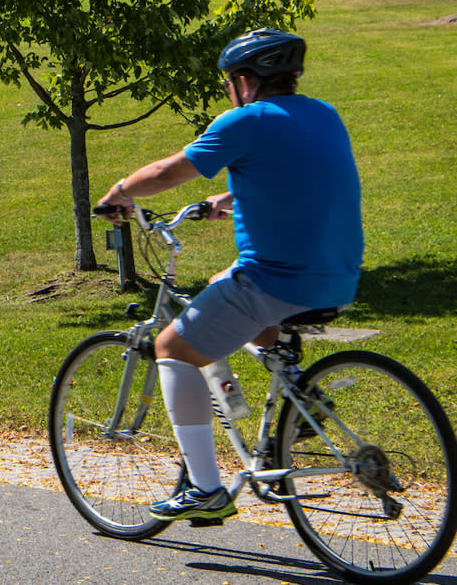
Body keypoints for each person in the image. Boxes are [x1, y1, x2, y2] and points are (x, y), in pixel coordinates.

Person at [96, 28, 363, 523]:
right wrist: (232, 197)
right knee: (230, 282)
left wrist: (119, 194)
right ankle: (301, 393)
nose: (228, 89)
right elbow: (303, 179)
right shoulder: (324, 115)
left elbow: (167, 171)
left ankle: (205, 491)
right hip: (337, 275)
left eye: (229, 80)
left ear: (244, 79)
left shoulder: (245, 120)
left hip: (275, 279)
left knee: (171, 347)